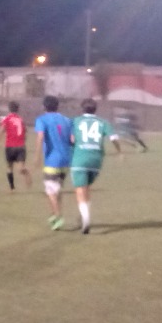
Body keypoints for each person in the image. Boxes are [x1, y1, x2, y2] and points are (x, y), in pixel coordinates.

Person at [69, 98, 122, 234]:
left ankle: (86, 218)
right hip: (96, 160)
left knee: (80, 189)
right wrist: (119, 152)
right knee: (86, 187)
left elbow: (71, 139)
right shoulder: (103, 122)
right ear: (95, 109)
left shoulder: (76, 121)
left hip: (80, 158)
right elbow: (113, 138)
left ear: (82, 109)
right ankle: (84, 216)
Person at [33, 96, 74, 229]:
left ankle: (58, 216)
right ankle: (54, 215)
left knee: (50, 190)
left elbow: (40, 136)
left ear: (44, 106)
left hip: (52, 160)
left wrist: (37, 155)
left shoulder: (42, 119)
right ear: (58, 106)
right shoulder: (67, 120)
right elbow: (72, 140)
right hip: (66, 161)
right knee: (57, 190)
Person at [0, 101, 31, 192]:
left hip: (10, 146)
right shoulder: (21, 119)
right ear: (18, 109)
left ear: (9, 109)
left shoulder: (7, 119)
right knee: (20, 169)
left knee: (9, 167)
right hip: (21, 147)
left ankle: (11, 188)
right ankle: (25, 172)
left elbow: (1, 130)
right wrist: (23, 141)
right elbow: (25, 132)